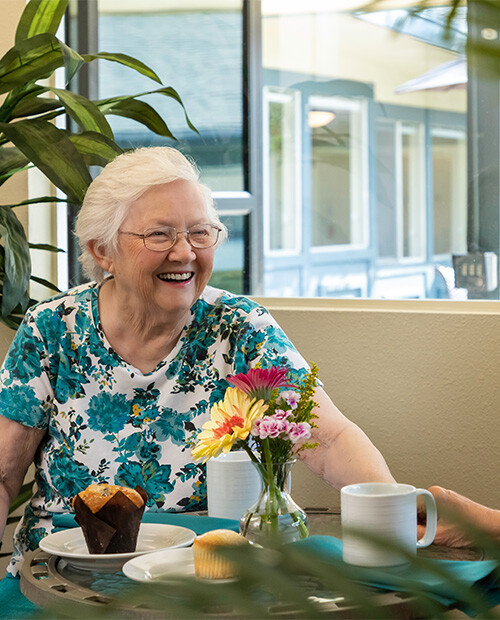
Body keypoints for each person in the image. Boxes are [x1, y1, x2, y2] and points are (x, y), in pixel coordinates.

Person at [0, 146, 395, 577]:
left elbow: (330, 439)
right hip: (61, 579)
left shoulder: (240, 329)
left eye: (200, 233)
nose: (185, 252)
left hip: (205, 579)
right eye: (160, 235)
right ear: (103, 251)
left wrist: (393, 515)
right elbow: (3, 475)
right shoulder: (52, 329)